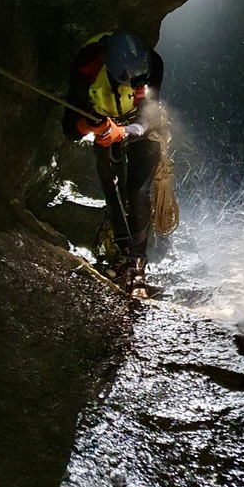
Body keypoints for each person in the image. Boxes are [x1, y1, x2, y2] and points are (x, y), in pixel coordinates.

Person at [62, 30, 163, 297]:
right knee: (110, 179)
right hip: (102, 119)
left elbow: (148, 118)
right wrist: (90, 126)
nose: (135, 85)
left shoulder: (151, 66)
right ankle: (121, 252)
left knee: (138, 186)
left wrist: (125, 131)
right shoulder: (88, 65)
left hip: (134, 124)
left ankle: (137, 263)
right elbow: (70, 127)